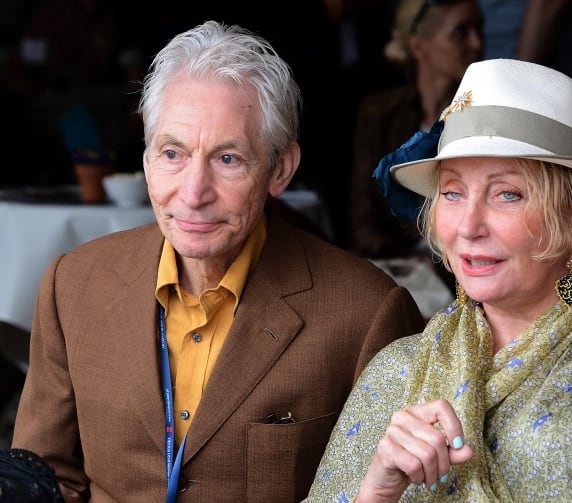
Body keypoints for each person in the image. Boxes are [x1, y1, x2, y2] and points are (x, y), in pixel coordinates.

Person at [11, 21, 426, 502]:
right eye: (172, 153)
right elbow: (43, 483)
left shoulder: (366, 314)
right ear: (146, 160)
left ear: (281, 169)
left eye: (227, 159)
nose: (192, 193)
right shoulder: (73, 285)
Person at [305, 58, 572, 501]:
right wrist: (377, 490)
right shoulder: (400, 368)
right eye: (453, 192)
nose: (468, 226)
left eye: (507, 194)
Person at [350, 0, 483, 301]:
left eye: (479, 29)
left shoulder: (487, 116)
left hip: (466, 271)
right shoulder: (381, 113)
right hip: (396, 270)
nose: (477, 43)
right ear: (418, 45)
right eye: (460, 33)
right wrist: (402, 261)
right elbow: (363, 217)